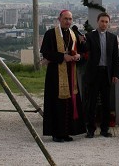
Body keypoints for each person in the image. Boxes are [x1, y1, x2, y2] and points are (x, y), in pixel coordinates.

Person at [40, 9, 86, 142]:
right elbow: (46, 53)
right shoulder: (50, 34)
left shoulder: (73, 34)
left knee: (69, 103)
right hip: (55, 74)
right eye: (65, 19)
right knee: (57, 103)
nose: (68, 21)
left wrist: (78, 56)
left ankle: (67, 132)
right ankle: (56, 133)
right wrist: (62, 57)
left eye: (70, 19)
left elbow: (83, 53)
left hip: (70, 74)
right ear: (59, 19)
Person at [84, 12, 119, 138]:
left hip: (107, 73)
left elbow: (115, 57)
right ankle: (90, 129)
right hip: (93, 73)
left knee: (106, 103)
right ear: (97, 22)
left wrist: (116, 74)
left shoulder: (112, 38)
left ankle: (105, 129)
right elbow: (85, 50)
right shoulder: (90, 36)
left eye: (106, 22)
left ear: (108, 23)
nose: (104, 24)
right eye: (102, 21)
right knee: (91, 102)